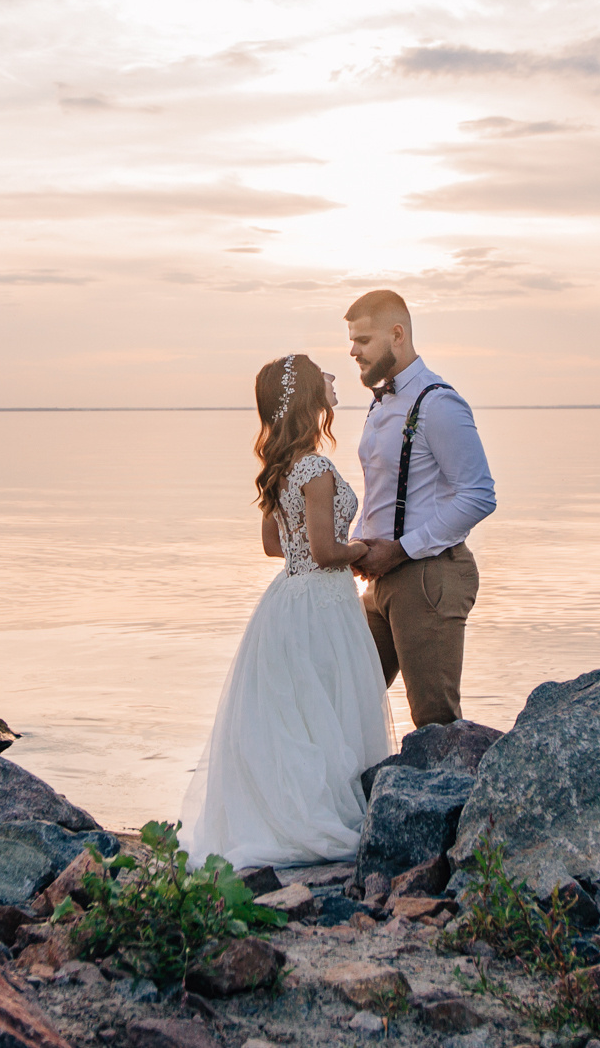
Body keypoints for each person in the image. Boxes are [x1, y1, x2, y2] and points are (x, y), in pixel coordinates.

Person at [177, 354, 394, 868]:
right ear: (306, 399)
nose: (332, 380)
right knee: (328, 707)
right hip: (323, 601)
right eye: (322, 375)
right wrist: (362, 549)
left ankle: (284, 810)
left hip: (287, 602)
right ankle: (320, 817)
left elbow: (275, 546)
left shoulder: (280, 468)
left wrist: (323, 546)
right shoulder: (316, 469)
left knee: (297, 712)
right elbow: (324, 552)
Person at [345, 290, 496, 728]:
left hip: (428, 577)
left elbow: (478, 494)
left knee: (433, 720)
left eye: (364, 340)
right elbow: (384, 493)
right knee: (346, 699)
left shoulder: (438, 403)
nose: (354, 351)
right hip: (378, 583)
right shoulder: (381, 403)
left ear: (397, 335)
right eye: (351, 341)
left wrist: (402, 549)